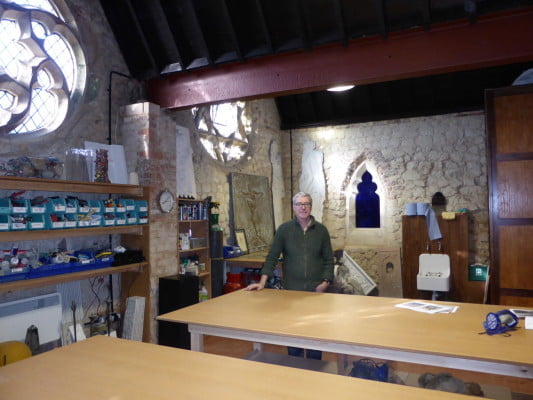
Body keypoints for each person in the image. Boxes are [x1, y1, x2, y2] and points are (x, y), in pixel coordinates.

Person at [246, 192, 334, 360]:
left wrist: (325, 282)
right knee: (293, 337)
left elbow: (329, 259)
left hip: (315, 293)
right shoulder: (284, 230)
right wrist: (262, 282)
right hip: (291, 293)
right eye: (299, 204)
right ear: (293, 207)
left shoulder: (321, 231)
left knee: (315, 337)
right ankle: (294, 368)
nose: (303, 207)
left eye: (306, 204)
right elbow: (272, 256)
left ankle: (314, 369)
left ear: (311, 206)